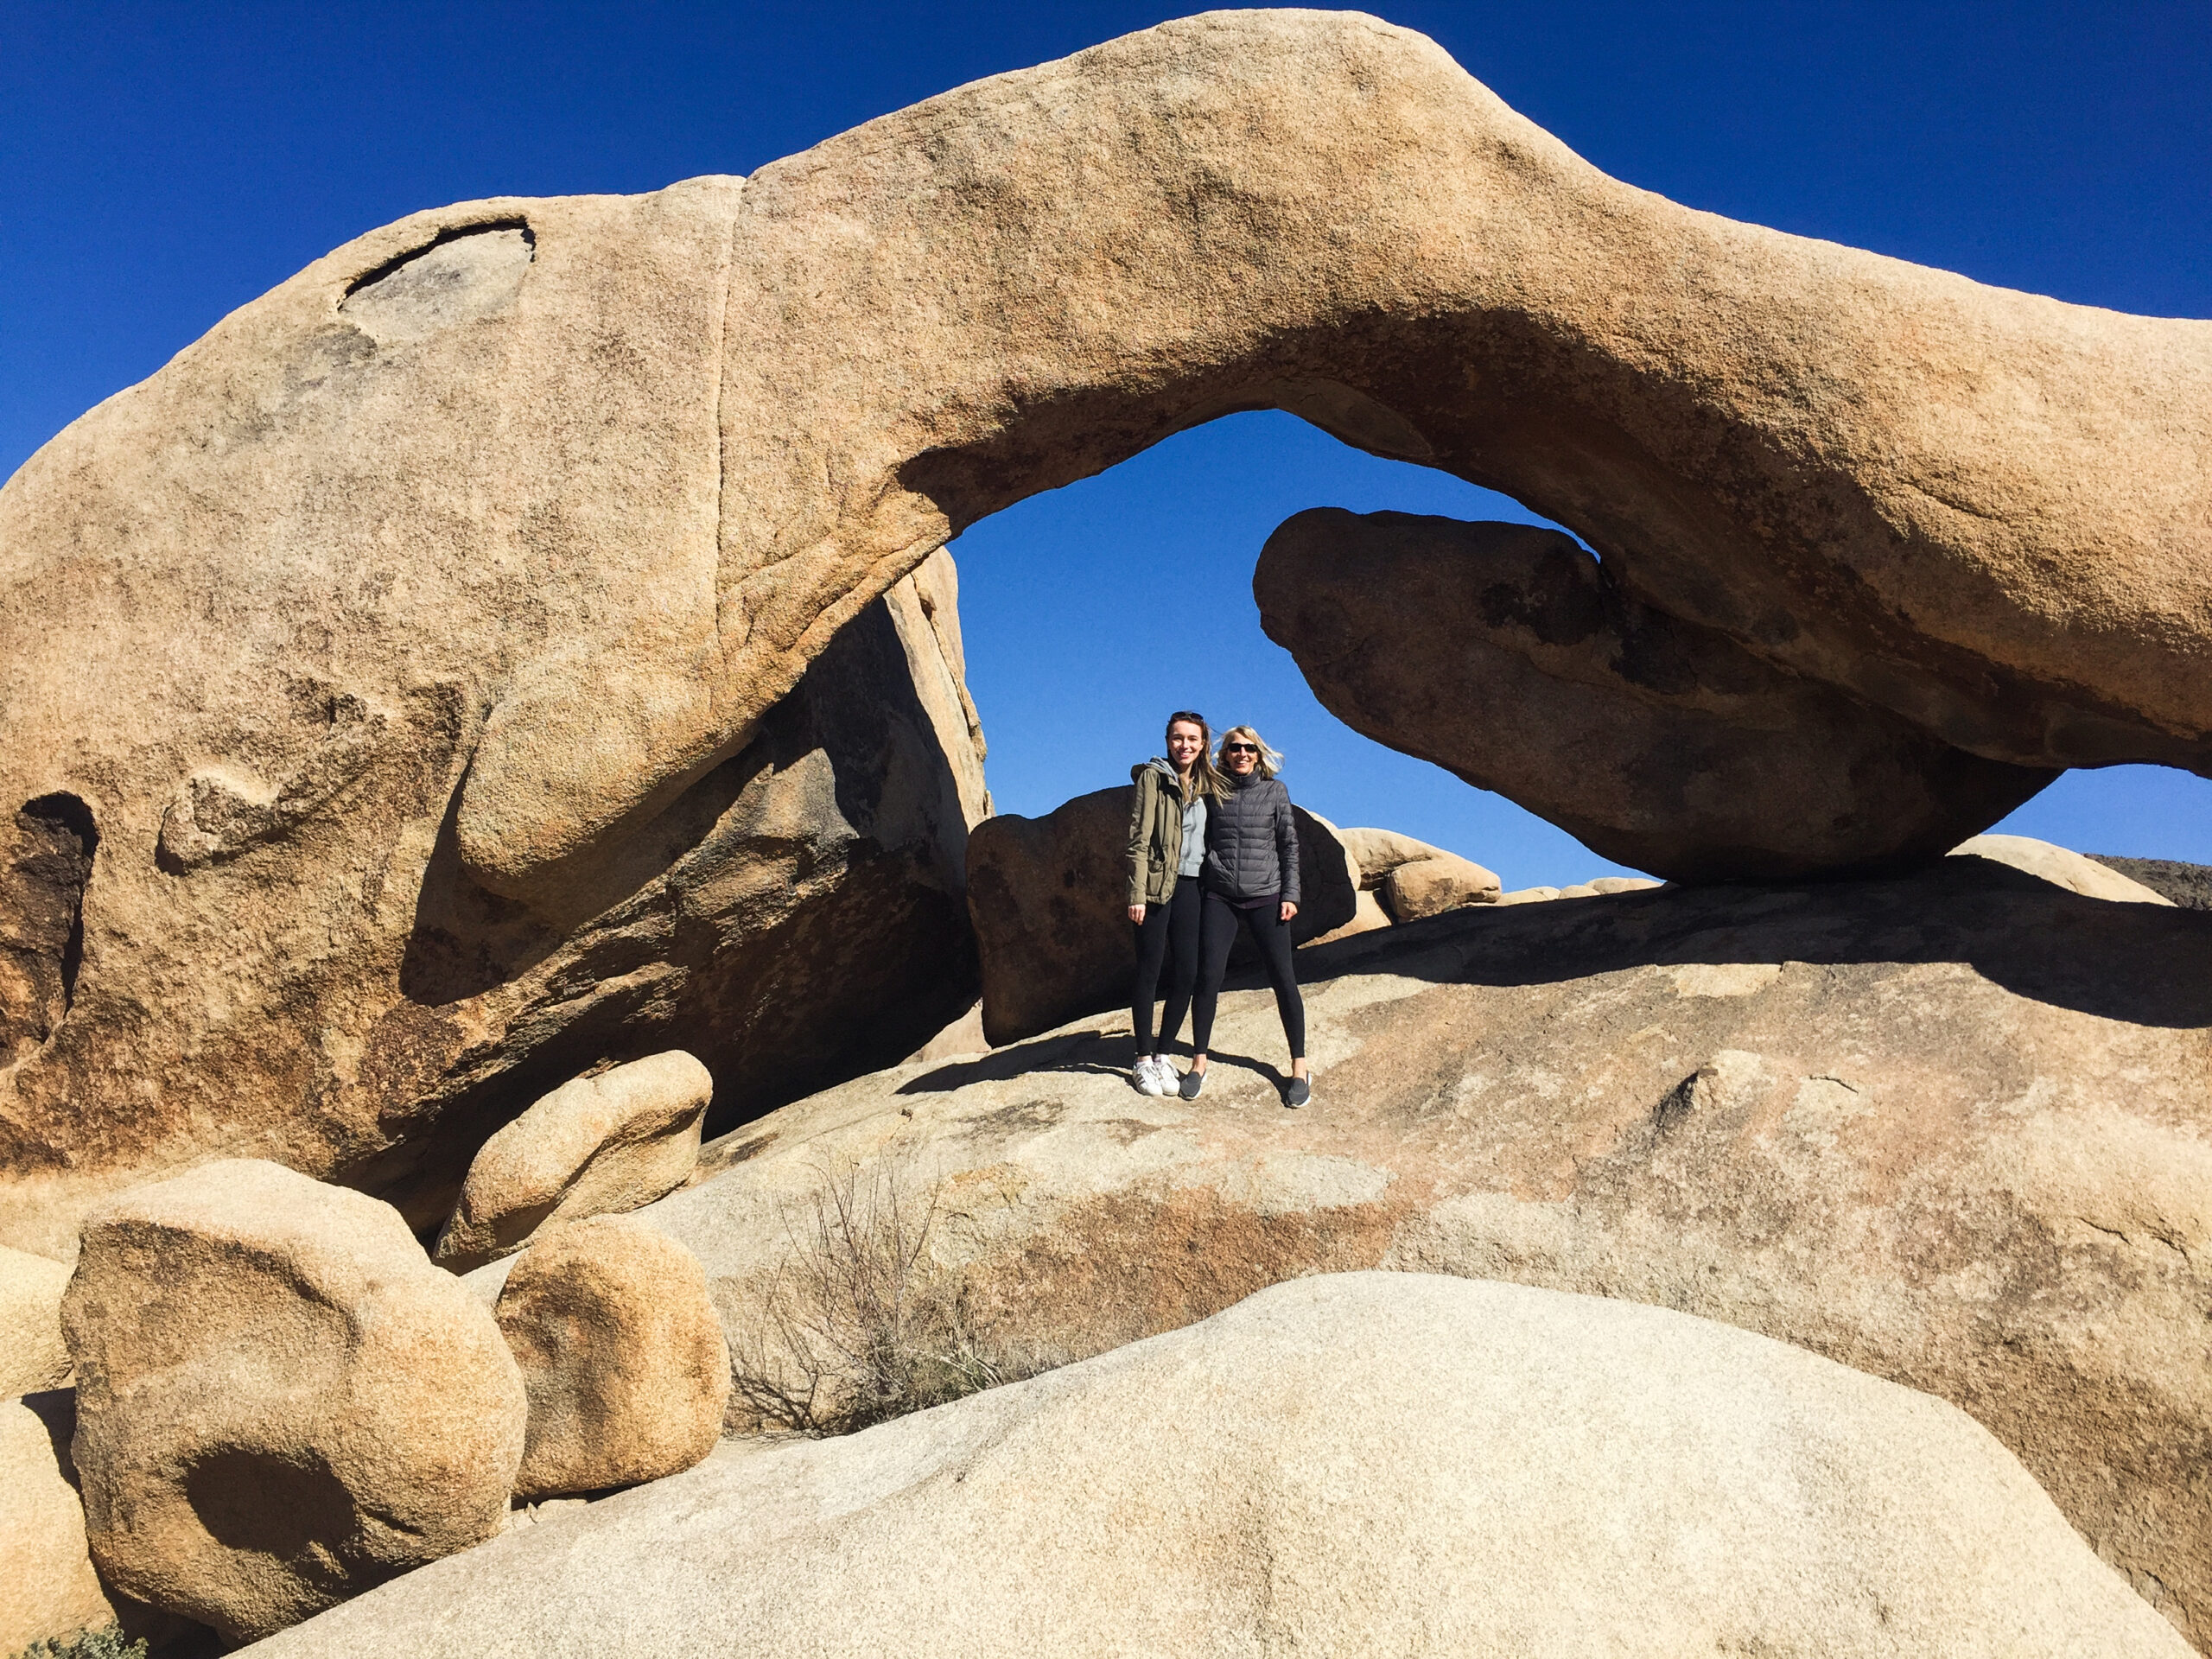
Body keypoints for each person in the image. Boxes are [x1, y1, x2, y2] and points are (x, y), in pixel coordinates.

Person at [1182, 725, 1311, 1107]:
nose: (1241, 754)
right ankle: (1199, 1061)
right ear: (1224, 754)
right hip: (1220, 897)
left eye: (1249, 748)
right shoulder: (1213, 791)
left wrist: (1291, 893)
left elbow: (1288, 845)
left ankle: (1299, 1067)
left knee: (1283, 978)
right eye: (1234, 748)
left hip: (1266, 895)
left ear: (1259, 754)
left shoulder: (1275, 792)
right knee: (1208, 977)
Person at [1125, 711, 1222, 1097]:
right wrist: (1135, 894)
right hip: (1154, 887)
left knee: (1188, 971)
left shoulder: (1210, 783)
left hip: (1194, 886)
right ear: (1168, 741)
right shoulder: (1154, 777)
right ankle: (1143, 1059)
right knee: (1149, 969)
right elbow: (1138, 837)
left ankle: (1164, 1052)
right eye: (1178, 738)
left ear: (1203, 745)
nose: (1185, 745)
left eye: (1193, 739)